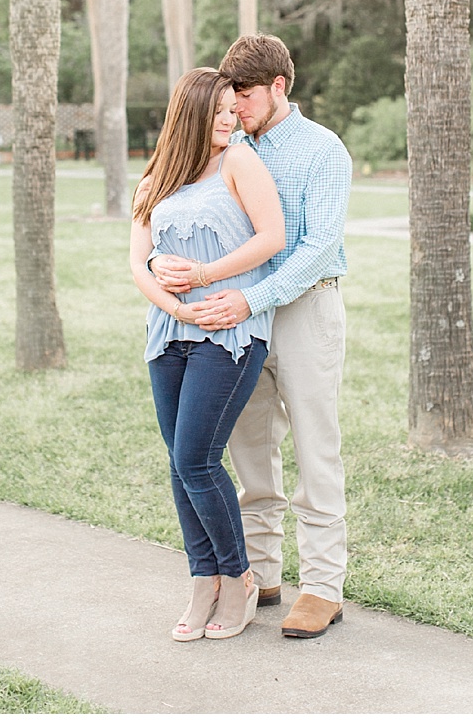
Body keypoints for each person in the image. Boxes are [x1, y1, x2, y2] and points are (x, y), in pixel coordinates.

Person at [150, 34, 354, 640]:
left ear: (278, 87)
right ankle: (261, 572)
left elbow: (317, 247)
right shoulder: (229, 146)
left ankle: (321, 587)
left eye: (244, 93)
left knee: (316, 449)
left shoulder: (323, 150)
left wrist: (251, 296)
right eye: (229, 93)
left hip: (302, 310)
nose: (234, 105)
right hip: (235, 321)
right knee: (247, 450)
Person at [130, 67, 286, 642]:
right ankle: (203, 580)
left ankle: (236, 575)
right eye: (219, 110)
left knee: (197, 456)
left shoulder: (240, 161)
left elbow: (271, 237)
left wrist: (204, 277)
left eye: (232, 107)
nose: (230, 118)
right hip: (170, 333)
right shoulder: (155, 179)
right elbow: (138, 262)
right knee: (179, 462)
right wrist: (174, 305)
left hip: (229, 331)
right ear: (190, 114)